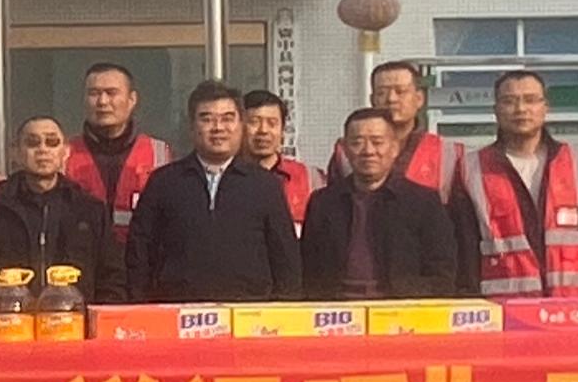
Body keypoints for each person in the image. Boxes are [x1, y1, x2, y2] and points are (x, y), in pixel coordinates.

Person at [125, 81, 300, 303]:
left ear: (241, 125)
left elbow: (285, 259)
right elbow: (140, 252)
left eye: (227, 119)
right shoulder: (164, 182)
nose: (218, 128)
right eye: (207, 119)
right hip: (177, 311)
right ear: (192, 126)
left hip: (249, 313)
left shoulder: (265, 185)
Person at [461, 68, 578, 299]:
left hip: (572, 307)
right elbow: (466, 252)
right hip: (504, 308)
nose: (521, 109)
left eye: (531, 100)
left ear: (545, 108)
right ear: (496, 110)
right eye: (509, 101)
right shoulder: (472, 168)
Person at [300, 107, 464, 299]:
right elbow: (309, 270)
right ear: (344, 149)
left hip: (402, 306)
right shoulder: (323, 203)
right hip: (337, 307)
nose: (368, 151)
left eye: (377, 142)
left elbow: (442, 273)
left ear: (394, 148)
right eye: (357, 143)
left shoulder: (423, 202)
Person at [0, 115, 115, 295]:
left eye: (52, 142)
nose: (43, 149)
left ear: (65, 152)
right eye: (33, 143)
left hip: (74, 311)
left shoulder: (89, 210)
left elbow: (111, 278)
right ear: (16, 152)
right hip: (9, 310)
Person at [65, 61, 172, 253]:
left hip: (141, 259)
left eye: (111, 93)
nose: (102, 102)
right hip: (80, 259)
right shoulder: (64, 154)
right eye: (94, 93)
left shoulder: (159, 153)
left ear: (132, 100)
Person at [328, 58, 466, 202]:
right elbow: (333, 203)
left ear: (419, 99)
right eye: (382, 93)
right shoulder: (346, 152)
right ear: (372, 100)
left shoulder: (447, 153)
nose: (391, 99)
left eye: (400, 91)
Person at [242, 89, 314, 233]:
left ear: (282, 131)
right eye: (254, 122)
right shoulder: (225, 176)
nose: (263, 130)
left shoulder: (309, 177)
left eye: (272, 123)